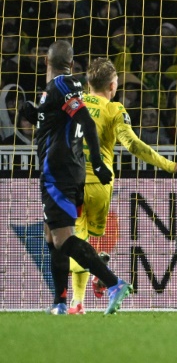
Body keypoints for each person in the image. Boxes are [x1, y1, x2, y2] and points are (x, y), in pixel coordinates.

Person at [67, 58, 177, 314]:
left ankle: (79, 299)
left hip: (72, 179)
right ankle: (91, 280)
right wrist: (170, 165)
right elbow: (134, 145)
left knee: (73, 241)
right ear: (113, 86)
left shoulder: (72, 104)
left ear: (88, 83)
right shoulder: (114, 109)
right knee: (85, 241)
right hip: (101, 185)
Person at [18, 40, 133, 315]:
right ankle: (59, 302)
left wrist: (97, 160)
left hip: (59, 172)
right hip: (65, 169)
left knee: (62, 238)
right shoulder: (61, 89)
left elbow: (86, 121)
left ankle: (113, 283)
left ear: (46, 62)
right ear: (71, 63)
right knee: (51, 234)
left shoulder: (59, 85)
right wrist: (35, 115)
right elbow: (60, 123)